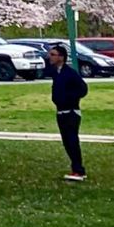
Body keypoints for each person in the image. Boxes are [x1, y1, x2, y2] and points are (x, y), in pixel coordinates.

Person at [48, 43, 88, 182]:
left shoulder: (70, 73)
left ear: (61, 57)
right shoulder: (55, 72)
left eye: (53, 55)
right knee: (66, 141)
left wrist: (69, 99)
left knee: (72, 140)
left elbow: (83, 89)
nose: (50, 57)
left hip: (71, 112)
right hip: (60, 112)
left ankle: (79, 170)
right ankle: (75, 168)